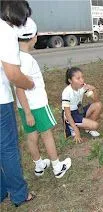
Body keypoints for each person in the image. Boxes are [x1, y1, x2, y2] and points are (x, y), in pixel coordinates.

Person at [14, 18, 72, 179]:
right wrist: (28, 112)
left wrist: (25, 111)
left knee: (31, 135)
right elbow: (20, 88)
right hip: (36, 105)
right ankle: (57, 166)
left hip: (23, 105)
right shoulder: (26, 59)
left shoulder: (15, 56)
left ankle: (39, 165)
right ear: (34, 37)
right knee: (47, 135)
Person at [0, 0, 35, 206]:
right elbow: (13, 74)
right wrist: (28, 83)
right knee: (8, 148)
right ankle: (20, 195)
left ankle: (1, 190)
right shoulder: (5, 31)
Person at [62, 67, 102, 143]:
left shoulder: (83, 87)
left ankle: (88, 128)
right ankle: (72, 126)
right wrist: (76, 130)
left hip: (79, 110)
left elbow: (96, 100)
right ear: (70, 81)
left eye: (82, 77)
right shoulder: (67, 92)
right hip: (70, 114)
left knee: (98, 105)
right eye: (78, 78)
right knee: (95, 125)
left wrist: (94, 90)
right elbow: (67, 113)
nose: (82, 80)